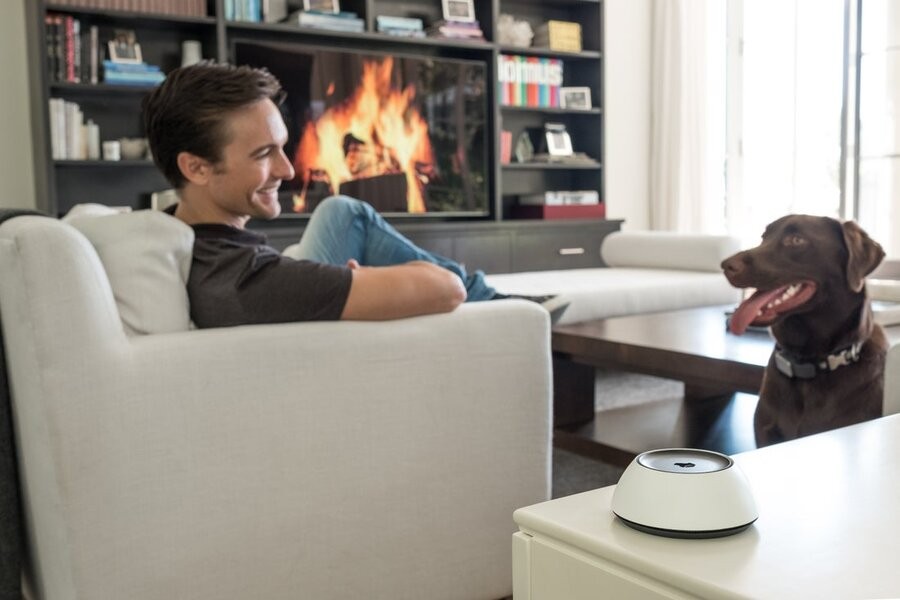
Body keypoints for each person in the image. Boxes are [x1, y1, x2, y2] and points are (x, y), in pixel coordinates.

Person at [142, 61, 568, 328]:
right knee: (364, 223)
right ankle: (509, 314)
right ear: (195, 166)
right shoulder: (251, 281)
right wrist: (366, 279)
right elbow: (446, 289)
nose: (288, 169)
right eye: (263, 154)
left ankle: (500, 300)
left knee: (342, 211)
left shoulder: (174, 238)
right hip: (288, 307)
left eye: (283, 147)